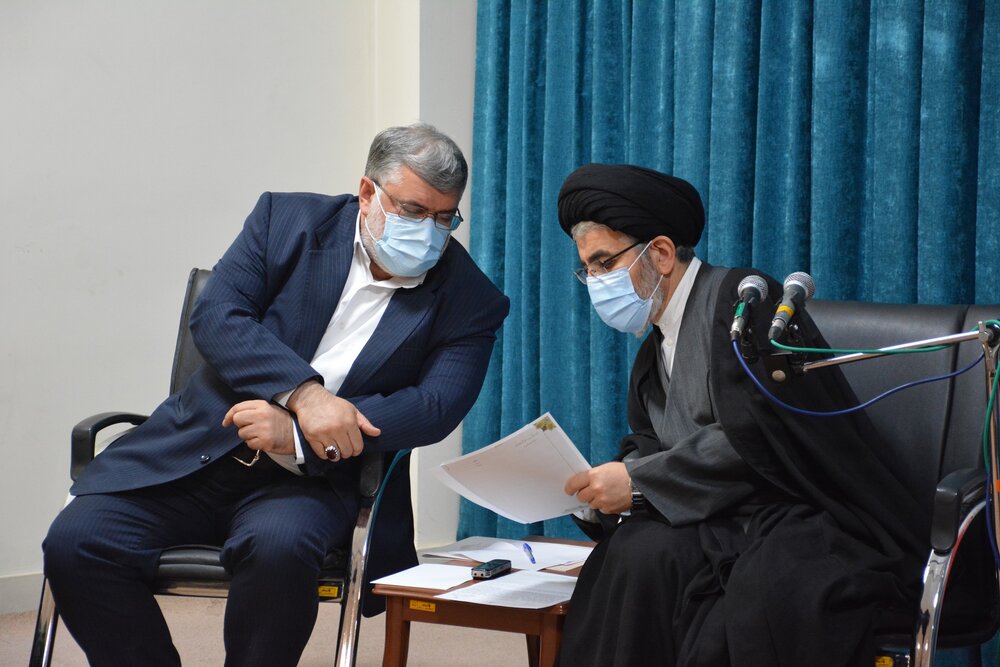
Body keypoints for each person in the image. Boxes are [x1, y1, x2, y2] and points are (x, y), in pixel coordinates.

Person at [42, 123, 509, 666]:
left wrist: (300, 436)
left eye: (444, 217)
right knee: (76, 543)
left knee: (279, 552)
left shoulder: (471, 298)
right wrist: (305, 397)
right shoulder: (286, 221)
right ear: (367, 192)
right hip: (197, 450)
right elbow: (218, 316)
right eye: (412, 210)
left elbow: (435, 407)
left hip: (312, 482)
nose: (428, 231)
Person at [555, 163, 926, 666]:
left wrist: (638, 483)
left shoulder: (745, 306)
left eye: (604, 263)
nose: (596, 282)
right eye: (588, 270)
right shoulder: (654, 346)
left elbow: (759, 432)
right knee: (631, 555)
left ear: (660, 253)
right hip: (713, 516)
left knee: (741, 599)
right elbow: (652, 441)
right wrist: (603, 490)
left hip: (793, 509)